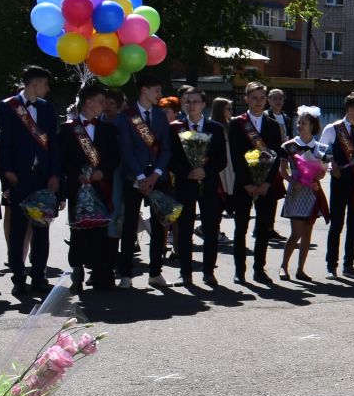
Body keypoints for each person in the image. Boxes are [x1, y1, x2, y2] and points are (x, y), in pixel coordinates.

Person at [0, 66, 61, 296]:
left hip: (42, 176)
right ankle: (18, 277)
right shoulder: (8, 106)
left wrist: (54, 174)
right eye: (44, 83)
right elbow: (5, 144)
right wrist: (7, 174)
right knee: (18, 230)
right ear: (33, 83)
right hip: (19, 176)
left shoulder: (47, 108)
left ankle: (39, 275)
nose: (47, 88)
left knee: (42, 228)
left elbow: (53, 143)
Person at [113, 72, 174, 288]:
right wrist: (140, 177)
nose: (159, 94)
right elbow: (126, 151)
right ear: (144, 91)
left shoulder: (159, 115)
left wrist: (156, 173)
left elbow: (166, 148)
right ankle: (126, 274)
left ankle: (155, 272)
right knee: (129, 225)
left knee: (160, 225)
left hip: (157, 176)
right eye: (156, 90)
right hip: (134, 178)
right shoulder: (126, 116)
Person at [59, 81, 120, 292]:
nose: (104, 105)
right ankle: (77, 272)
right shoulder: (68, 129)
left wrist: (103, 171)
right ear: (88, 101)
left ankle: (100, 273)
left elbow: (114, 158)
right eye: (101, 101)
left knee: (100, 230)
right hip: (79, 186)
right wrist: (77, 175)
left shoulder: (107, 130)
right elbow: (63, 158)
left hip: (101, 185)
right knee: (78, 229)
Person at [227, 82, 285, 285]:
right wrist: (246, 184)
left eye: (262, 98)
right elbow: (235, 156)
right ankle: (239, 270)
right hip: (244, 184)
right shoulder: (237, 123)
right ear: (246, 99)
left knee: (263, 229)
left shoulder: (273, 125)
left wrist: (267, 183)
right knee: (240, 228)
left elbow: (276, 156)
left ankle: (259, 269)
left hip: (266, 186)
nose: (259, 101)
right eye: (254, 97)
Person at [170, 87, 228, 288]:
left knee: (211, 229)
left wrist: (206, 171)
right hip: (185, 185)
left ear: (204, 104)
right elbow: (171, 159)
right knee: (184, 231)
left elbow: (222, 160)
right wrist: (188, 172)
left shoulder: (216, 128)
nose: (191, 105)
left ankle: (208, 272)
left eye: (195, 101)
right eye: (187, 101)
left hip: (209, 184)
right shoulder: (175, 128)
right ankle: (185, 273)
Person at [319, 93, 354, 278]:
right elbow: (321, 152)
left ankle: (348, 265)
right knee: (336, 224)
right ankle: (330, 264)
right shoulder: (332, 128)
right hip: (339, 181)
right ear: (350, 109)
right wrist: (329, 164)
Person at [278, 107, 326, 281]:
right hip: (297, 192)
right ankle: (283, 266)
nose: (299, 125)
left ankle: (300, 269)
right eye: (298, 122)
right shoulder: (288, 146)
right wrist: (293, 182)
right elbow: (282, 170)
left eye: (303, 123)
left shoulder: (320, 148)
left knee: (307, 233)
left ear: (312, 125)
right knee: (296, 233)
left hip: (312, 192)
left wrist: (320, 175)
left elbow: (322, 171)